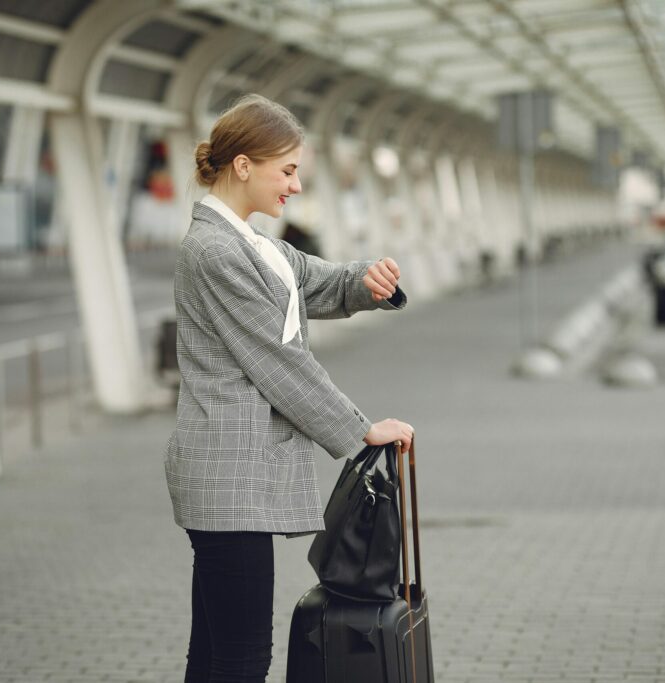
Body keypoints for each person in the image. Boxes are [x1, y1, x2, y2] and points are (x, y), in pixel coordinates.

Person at [164, 93, 415, 682]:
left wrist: (368, 281)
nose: (296, 186)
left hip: (233, 480)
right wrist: (359, 430)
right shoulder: (214, 250)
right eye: (289, 170)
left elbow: (319, 281)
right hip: (227, 482)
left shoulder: (255, 246)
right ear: (244, 165)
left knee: (217, 654)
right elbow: (277, 361)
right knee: (243, 656)